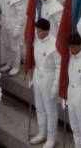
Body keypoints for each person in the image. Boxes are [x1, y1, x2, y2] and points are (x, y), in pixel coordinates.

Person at [29, 18, 61, 148]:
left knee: (50, 110)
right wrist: (32, 77)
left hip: (49, 76)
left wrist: (55, 85)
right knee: (40, 107)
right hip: (38, 75)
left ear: (47, 30)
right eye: (36, 30)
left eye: (40, 31)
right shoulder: (37, 41)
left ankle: (51, 137)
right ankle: (41, 133)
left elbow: (59, 66)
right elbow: (36, 61)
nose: (37, 33)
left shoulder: (55, 45)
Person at [0, 0, 26, 76]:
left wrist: (18, 29)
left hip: (13, 24)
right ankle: (9, 63)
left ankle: (16, 66)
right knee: (6, 45)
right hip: (4, 22)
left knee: (15, 47)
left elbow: (22, 16)